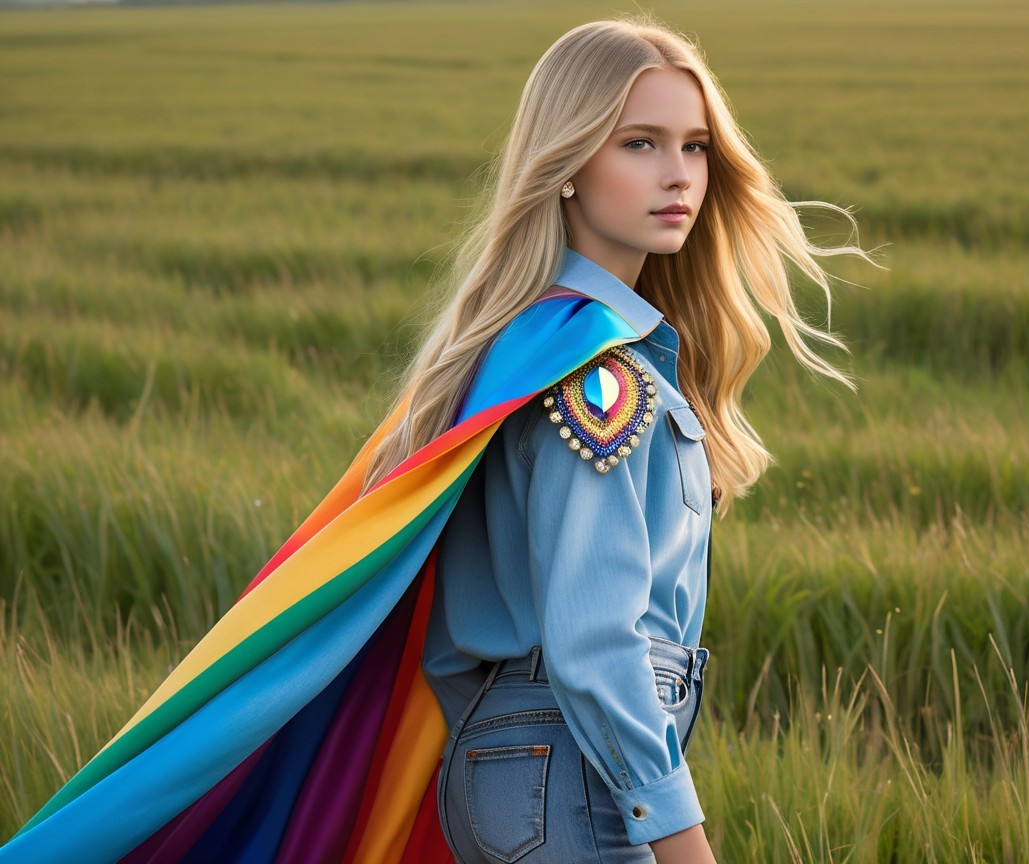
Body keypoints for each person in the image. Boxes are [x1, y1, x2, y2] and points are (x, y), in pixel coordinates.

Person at [0, 16, 872, 864]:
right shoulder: (595, 376)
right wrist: (684, 844)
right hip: (573, 784)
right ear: (567, 164)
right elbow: (595, 644)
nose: (678, 174)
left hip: (523, 776)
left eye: (695, 146)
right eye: (638, 143)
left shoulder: (531, 348)